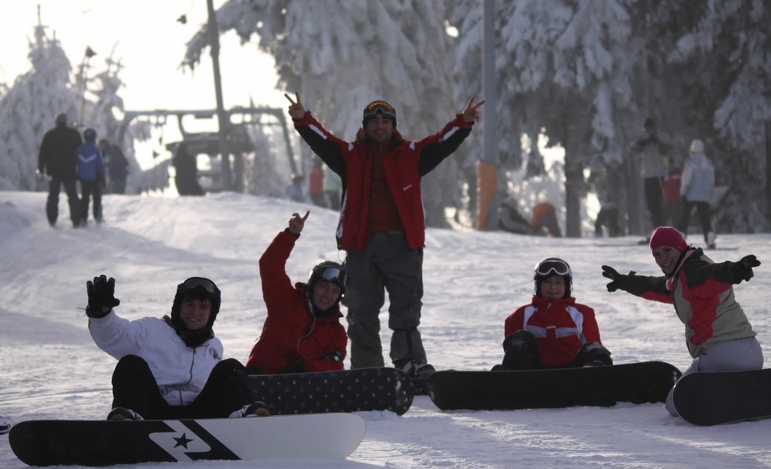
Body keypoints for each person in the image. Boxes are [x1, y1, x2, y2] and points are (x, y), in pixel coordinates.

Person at [284, 92, 484, 380]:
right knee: (361, 312)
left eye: (385, 121)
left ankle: (409, 364)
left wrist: (463, 122)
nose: (379, 126)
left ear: (393, 126)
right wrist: (303, 119)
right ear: (365, 127)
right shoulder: (349, 155)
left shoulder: (412, 154)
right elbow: (323, 141)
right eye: (373, 121)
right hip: (360, 246)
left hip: (402, 245)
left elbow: (441, 143)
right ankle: (368, 371)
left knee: (406, 309)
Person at [601, 226, 763, 417]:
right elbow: (656, 286)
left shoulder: (692, 271)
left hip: (721, 354)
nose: (663, 258)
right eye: (657, 254)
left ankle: (729, 401)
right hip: (753, 352)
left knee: (675, 404)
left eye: (668, 250)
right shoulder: (681, 278)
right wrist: (624, 282)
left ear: (680, 247)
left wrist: (734, 271)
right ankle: (746, 394)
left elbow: (711, 276)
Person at [85, 275, 269, 420]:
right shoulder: (152, 329)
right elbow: (115, 335)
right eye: (189, 304)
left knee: (232, 368)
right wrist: (101, 315)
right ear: (177, 307)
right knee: (130, 364)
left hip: (202, 415)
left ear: (211, 314)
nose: (195, 312)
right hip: (151, 412)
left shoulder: (214, 346)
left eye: (203, 306)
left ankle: (245, 422)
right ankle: (128, 423)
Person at [246, 211, 348, 374]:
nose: (327, 295)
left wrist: (304, 368)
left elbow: (334, 367)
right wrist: (290, 235)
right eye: (323, 287)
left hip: (300, 390)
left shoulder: (336, 333)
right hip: (260, 378)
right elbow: (269, 264)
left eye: (334, 291)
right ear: (313, 285)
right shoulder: (285, 300)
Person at [493, 257, 612, 371]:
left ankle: (595, 376)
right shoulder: (521, 315)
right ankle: (509, 378)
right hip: (533, 372)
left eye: (558, 282)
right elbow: (512, 351)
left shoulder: (583, 313)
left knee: (594, 347)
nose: (553, 287)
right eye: (547, 281)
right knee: (521, 339)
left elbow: (592, 346)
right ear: (538, 285)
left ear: (567, 286)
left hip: (574, 372)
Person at [37, 112, 83, 227]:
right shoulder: (74, 134)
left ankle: (52, 219)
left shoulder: (49, 135)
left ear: (56, 121)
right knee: (72, 196)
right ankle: (76, 220)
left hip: (53, 171)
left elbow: (43, 153)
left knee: (53, 195)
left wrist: (40, 168)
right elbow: (81, 152)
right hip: (70, 170)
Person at [630, 118, 672, 231]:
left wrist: (659, 142)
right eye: (648, 129)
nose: (650, 131)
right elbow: (633, 148)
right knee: (651, 205)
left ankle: (663, 228)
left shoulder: (661, 137)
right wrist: (642, 142)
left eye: (652, 128)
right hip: (648, 175)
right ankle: (656, 228)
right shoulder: (644, 139)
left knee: (659, 204)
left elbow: (669, 148)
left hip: (660, 174)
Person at [678, 140, 716, 249]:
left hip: (691, 194)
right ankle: (710, 239)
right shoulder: (708, 162)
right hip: (704, 195)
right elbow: (712, 179)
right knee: (705, 218)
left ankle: (680, 239)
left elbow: (686, 178)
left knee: (685, 216)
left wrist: (683, 191)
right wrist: (709, 192)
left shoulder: (691, 161)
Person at [76, 128, 106, 226]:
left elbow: (76, 162)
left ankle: (83, 218)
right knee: (96, 197)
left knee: (85, 198)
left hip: (83, 178)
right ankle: (97, 216)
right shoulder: (97, 149)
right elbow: (100, 164)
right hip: (95, 178)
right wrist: (102, 176)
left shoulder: (79, 149)